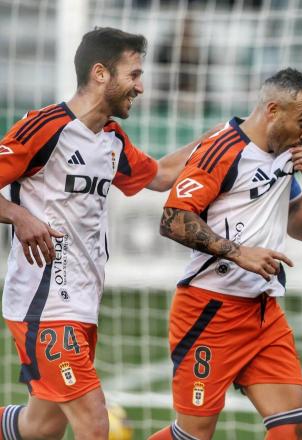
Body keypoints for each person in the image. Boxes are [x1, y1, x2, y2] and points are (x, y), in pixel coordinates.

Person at [0, 27, 212, 439]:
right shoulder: (43, 128)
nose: (141, 86)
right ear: (100, 73)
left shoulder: (111, 141)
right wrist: (18, 216)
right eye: (133, 75)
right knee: (97, 424)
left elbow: (162, 175)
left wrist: (218, 139)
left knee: (39, 427)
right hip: (43, 307)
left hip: (81, 305)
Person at [150, 68, 302, 440]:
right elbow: (173, 218)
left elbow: (301, 230)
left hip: (262, 311)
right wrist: (239, 253)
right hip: (209, 310)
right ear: (273, 110)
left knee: (291, 424)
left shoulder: (284, 155)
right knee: (193, 435)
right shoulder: (223, 150)